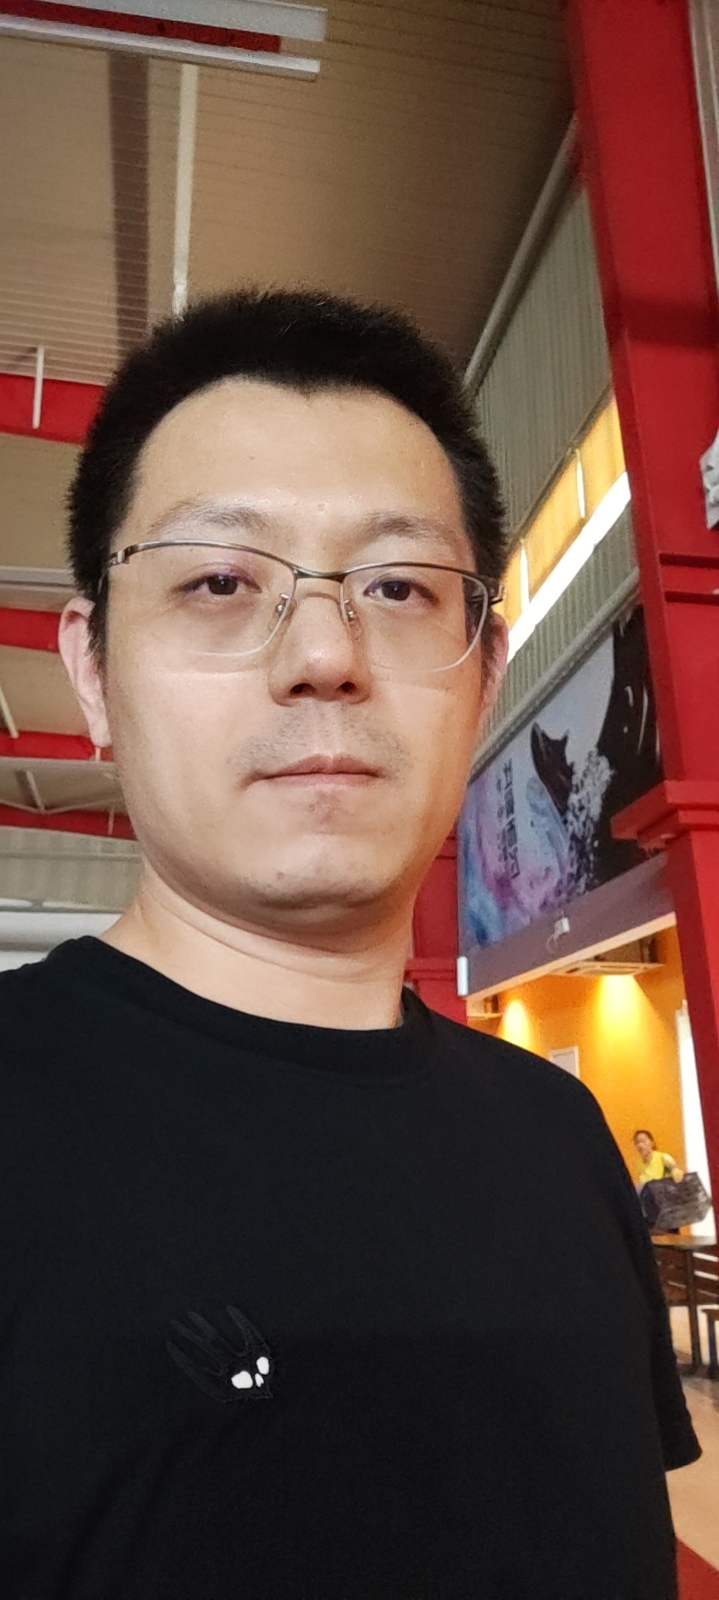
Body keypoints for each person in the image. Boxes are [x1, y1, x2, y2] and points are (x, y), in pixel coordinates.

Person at [0, 289, 699, 1600]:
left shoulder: (560, 1134)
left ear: (483, 676)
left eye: (399, 586)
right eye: (221, 581)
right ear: (92, 669)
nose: (326, 653)